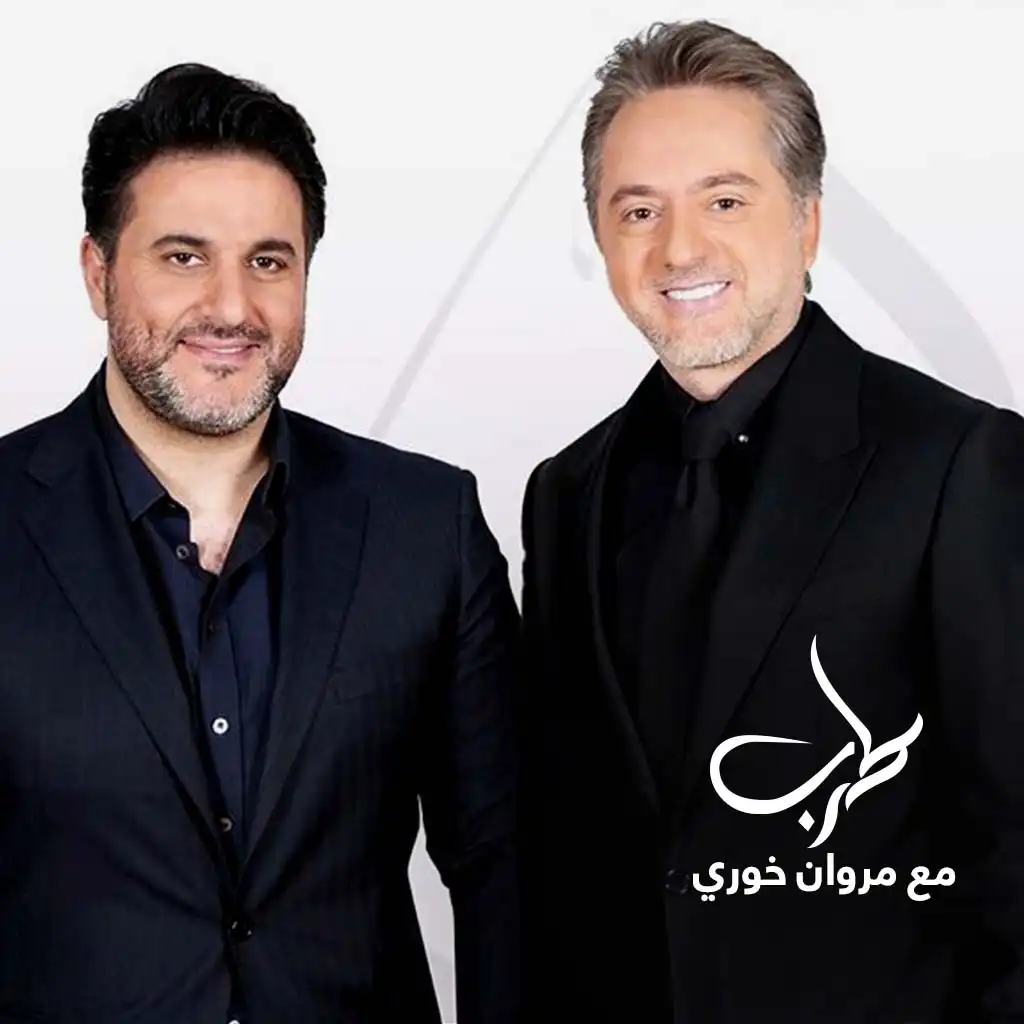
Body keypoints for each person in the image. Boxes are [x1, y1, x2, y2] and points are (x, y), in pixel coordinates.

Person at [520, 19, 1024, 1024]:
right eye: (638, 210)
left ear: (806, 221)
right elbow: (562, 844)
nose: (679, 248)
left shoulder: (959, 463)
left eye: (725, 200)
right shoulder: (566, 491)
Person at [0, 63, 520, 1024]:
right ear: (98, 273)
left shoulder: (425, 525)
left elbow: (506, 866)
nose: (233, 308)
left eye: (270, 262)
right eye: (183, 257)